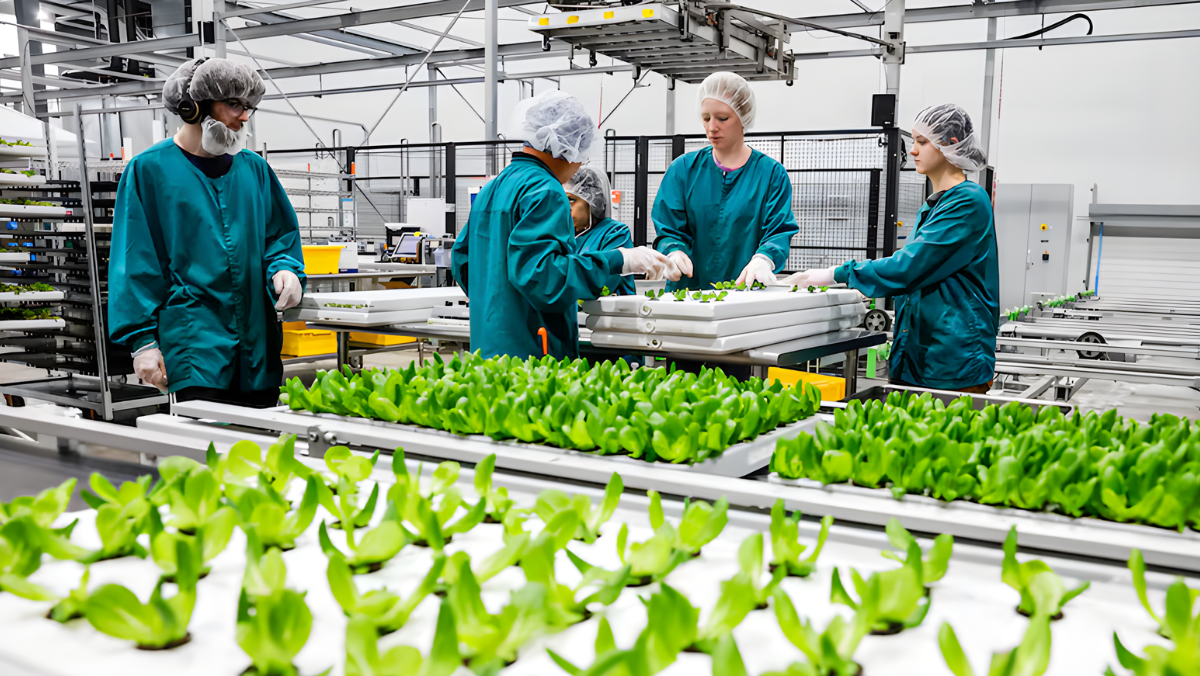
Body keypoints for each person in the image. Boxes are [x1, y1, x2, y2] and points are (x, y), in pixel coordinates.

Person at [108, 57, 306, 408]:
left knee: (262, 455)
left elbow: (278, 237)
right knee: (206, 452)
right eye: (234, 104)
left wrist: (285, 268)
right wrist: (142, 342)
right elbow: (135, 260)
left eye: (249, 107)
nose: (244, 117)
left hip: (258, 349)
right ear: (193, 106)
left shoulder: (254, 170)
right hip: (194, 347)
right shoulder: (148, 171)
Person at [783, 104, 999, 394]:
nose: (913, 150)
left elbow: (909, 268)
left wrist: (837, 273)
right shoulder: (935, 204)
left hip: (952, 360)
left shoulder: (968, 201)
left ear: (950, 145)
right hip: (920, 355)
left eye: (922, 142)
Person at [450, 90, 677, 361]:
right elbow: (545, 279)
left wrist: (499, 304)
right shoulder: (545, 190)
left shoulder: (493, 188)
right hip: (534, 352)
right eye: (582, 151)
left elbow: (462, 260)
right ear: (567, 145)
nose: (580, 162)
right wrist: (620, 260)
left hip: (487, 345)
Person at [652, 71, 799, 291]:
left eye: (722, 118)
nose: (712, 127)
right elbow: (669, 228)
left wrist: (764, 259)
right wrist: (674, 250)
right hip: (688, 297)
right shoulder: (682, 170)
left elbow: (778, 231)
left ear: (743, 117)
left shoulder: (770, 175)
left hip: (745, 297)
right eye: (706, 118)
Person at [565, 165, 635, 296]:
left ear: (592, 200)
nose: (564, 207)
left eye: (571, 199)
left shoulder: (615, 233)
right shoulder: (563, 234)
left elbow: (602, 284)